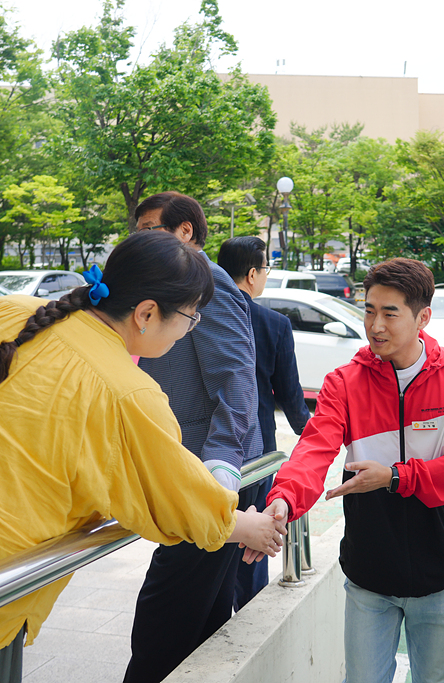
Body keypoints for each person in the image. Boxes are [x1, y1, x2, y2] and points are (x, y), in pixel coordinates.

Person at [0, 230, 284, 683]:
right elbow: (179, 498)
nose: (189, 331)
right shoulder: (127, 392)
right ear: (146, 313)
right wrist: (253, 527)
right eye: (191, 318)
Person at [260, 258, 444, 683]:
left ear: (423, 317)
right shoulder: (345, 382)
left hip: (442, 568)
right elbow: (314, 448)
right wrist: (284, 499)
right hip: (370, 570)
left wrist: (395, 477)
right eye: (369, 310)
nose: (375, 325)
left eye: (389, 313)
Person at [125, 193, 265, 683]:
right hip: (193, 471)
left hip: (211, 475)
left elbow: (237, 380)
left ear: (185, 232)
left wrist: (220, 467)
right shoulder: (167, 284)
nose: (139, 238)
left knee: (162, 626)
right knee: (199, 621)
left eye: (149, 228)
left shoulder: (206, 283)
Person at [217, 236, 312, 610]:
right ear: (253, 274)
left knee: (209, 540)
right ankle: (246, 614)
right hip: (256, 455)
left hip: (202, 453)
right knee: (250, 543)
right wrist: (313, 432)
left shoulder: (196, 314)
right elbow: (290, 396)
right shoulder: (273, 323)